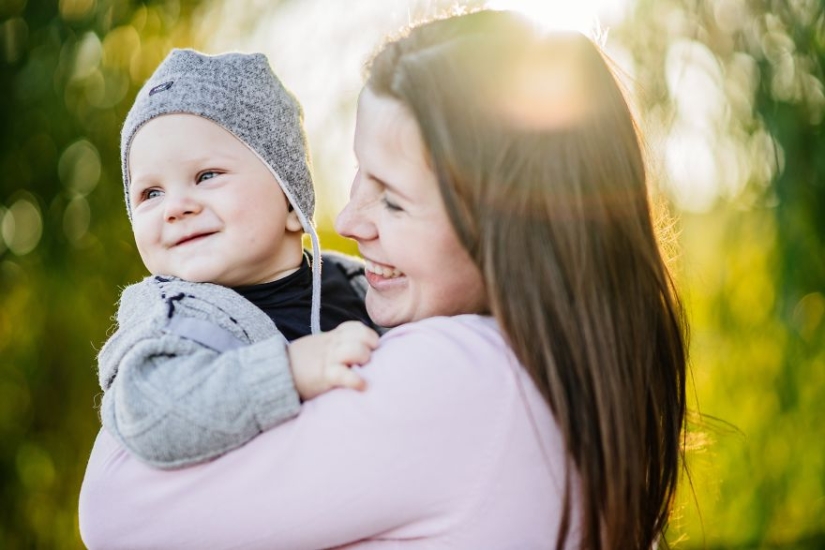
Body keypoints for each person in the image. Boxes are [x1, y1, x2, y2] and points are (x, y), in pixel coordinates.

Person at [79, 10, 688, 549]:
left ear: (510, 227)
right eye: (358, 175)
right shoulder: (575, 377)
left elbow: (114, 507)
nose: (346, 222)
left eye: (392, 199)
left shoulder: (457, 377)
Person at [99, 48, 379, 469]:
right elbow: (147, 411)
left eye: (206, 176)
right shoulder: (169, 315)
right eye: (150, 193)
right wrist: (288, 372)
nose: (175, 207)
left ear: (290, 200)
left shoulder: (358, 284)